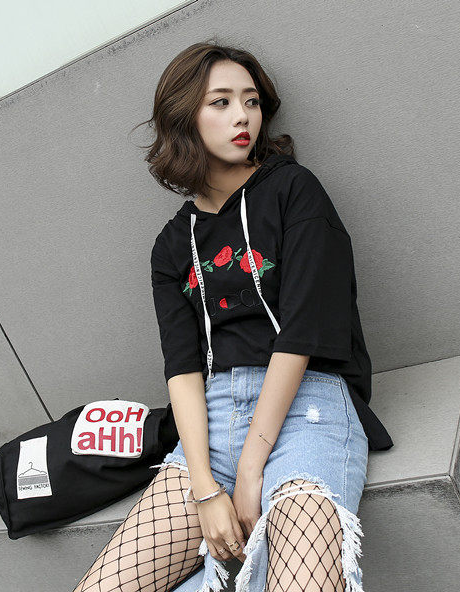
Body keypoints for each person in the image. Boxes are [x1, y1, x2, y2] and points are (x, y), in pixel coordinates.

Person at [72, 40, 392, 592]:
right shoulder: (171, 245)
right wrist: (204, 488)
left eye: (251, 101)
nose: (242, 116)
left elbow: (303, 332)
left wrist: (249, 470)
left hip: (307, 406)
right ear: (185, 118)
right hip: (211, 420)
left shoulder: (294, 190)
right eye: (220, 102)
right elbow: (182, 369)